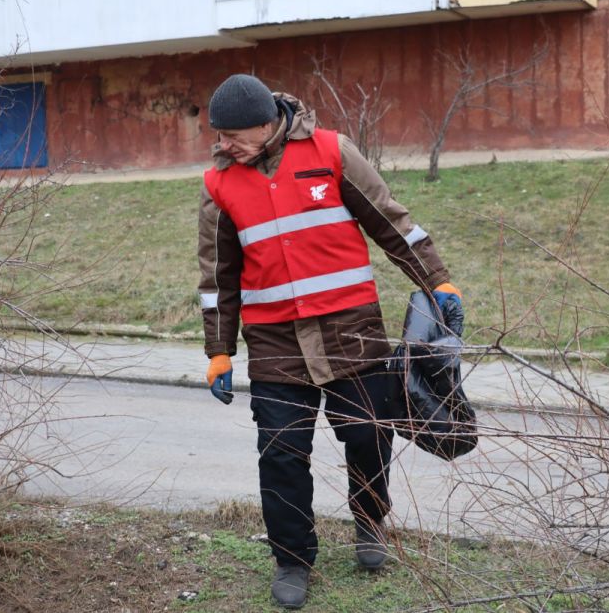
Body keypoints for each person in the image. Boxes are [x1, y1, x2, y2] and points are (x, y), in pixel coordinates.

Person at [197, 73, 463, 609]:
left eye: (232, 135)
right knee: (280, 454)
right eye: (218, 136)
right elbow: (218, 279)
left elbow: (391, 222)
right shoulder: (219, 186)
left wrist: (437, 280)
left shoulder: (332, 151)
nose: (223, 146)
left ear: (267, 123)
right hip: (275, 342)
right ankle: (292, 560)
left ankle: (369, 521)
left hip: (352, 330)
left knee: (367, 434)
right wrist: (219, 350)